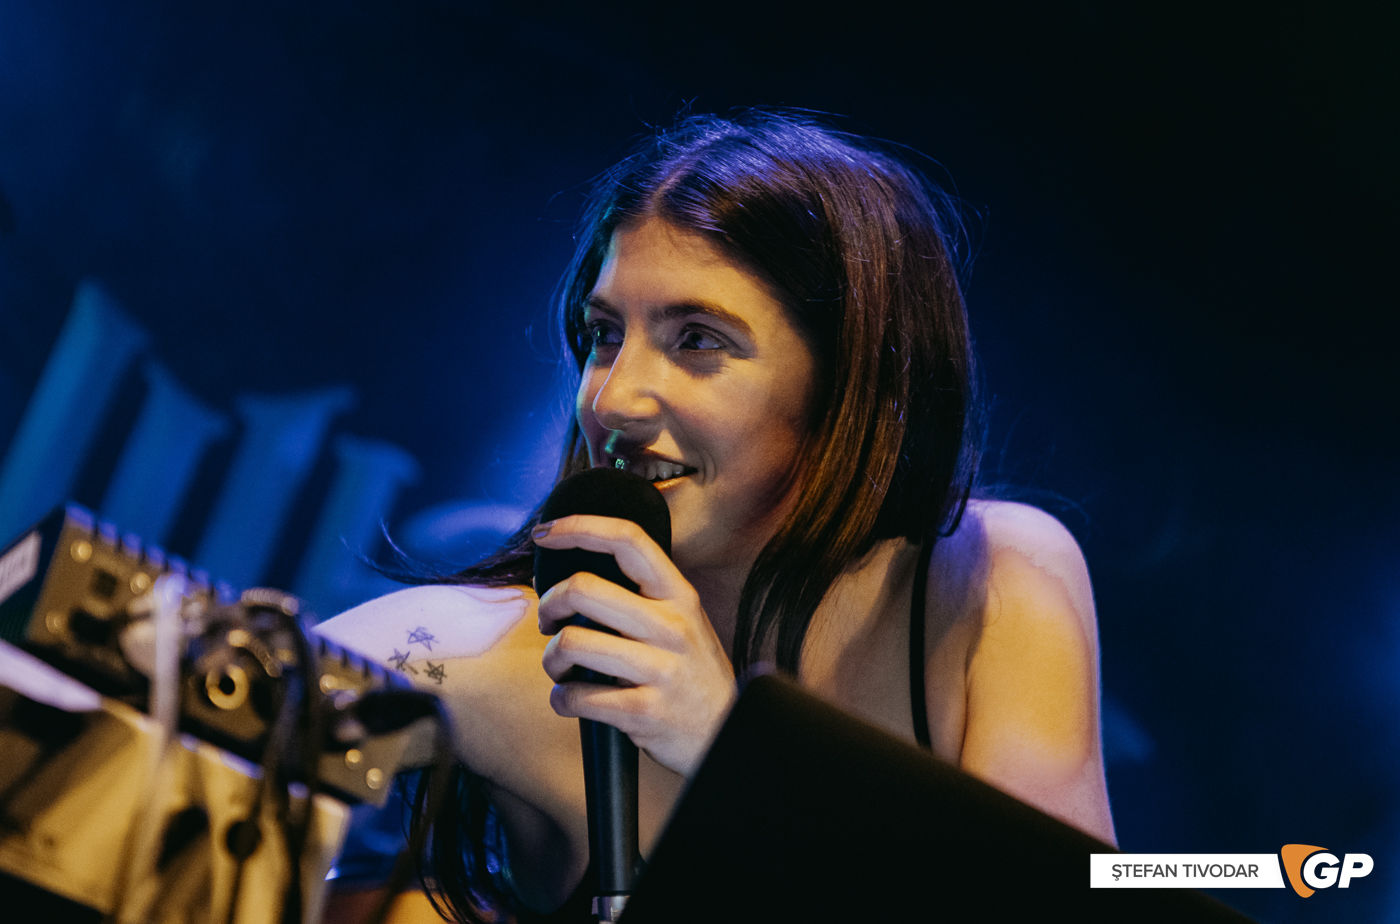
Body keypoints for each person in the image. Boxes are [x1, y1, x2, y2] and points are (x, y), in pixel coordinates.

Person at [315, 111, 1116, 924]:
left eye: (698, 340)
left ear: (848, 382)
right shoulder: (512, 648)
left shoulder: (997, 577)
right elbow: (250, 692)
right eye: (603, 335)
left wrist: (733, 758)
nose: (615, 399)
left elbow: (1124, 892)